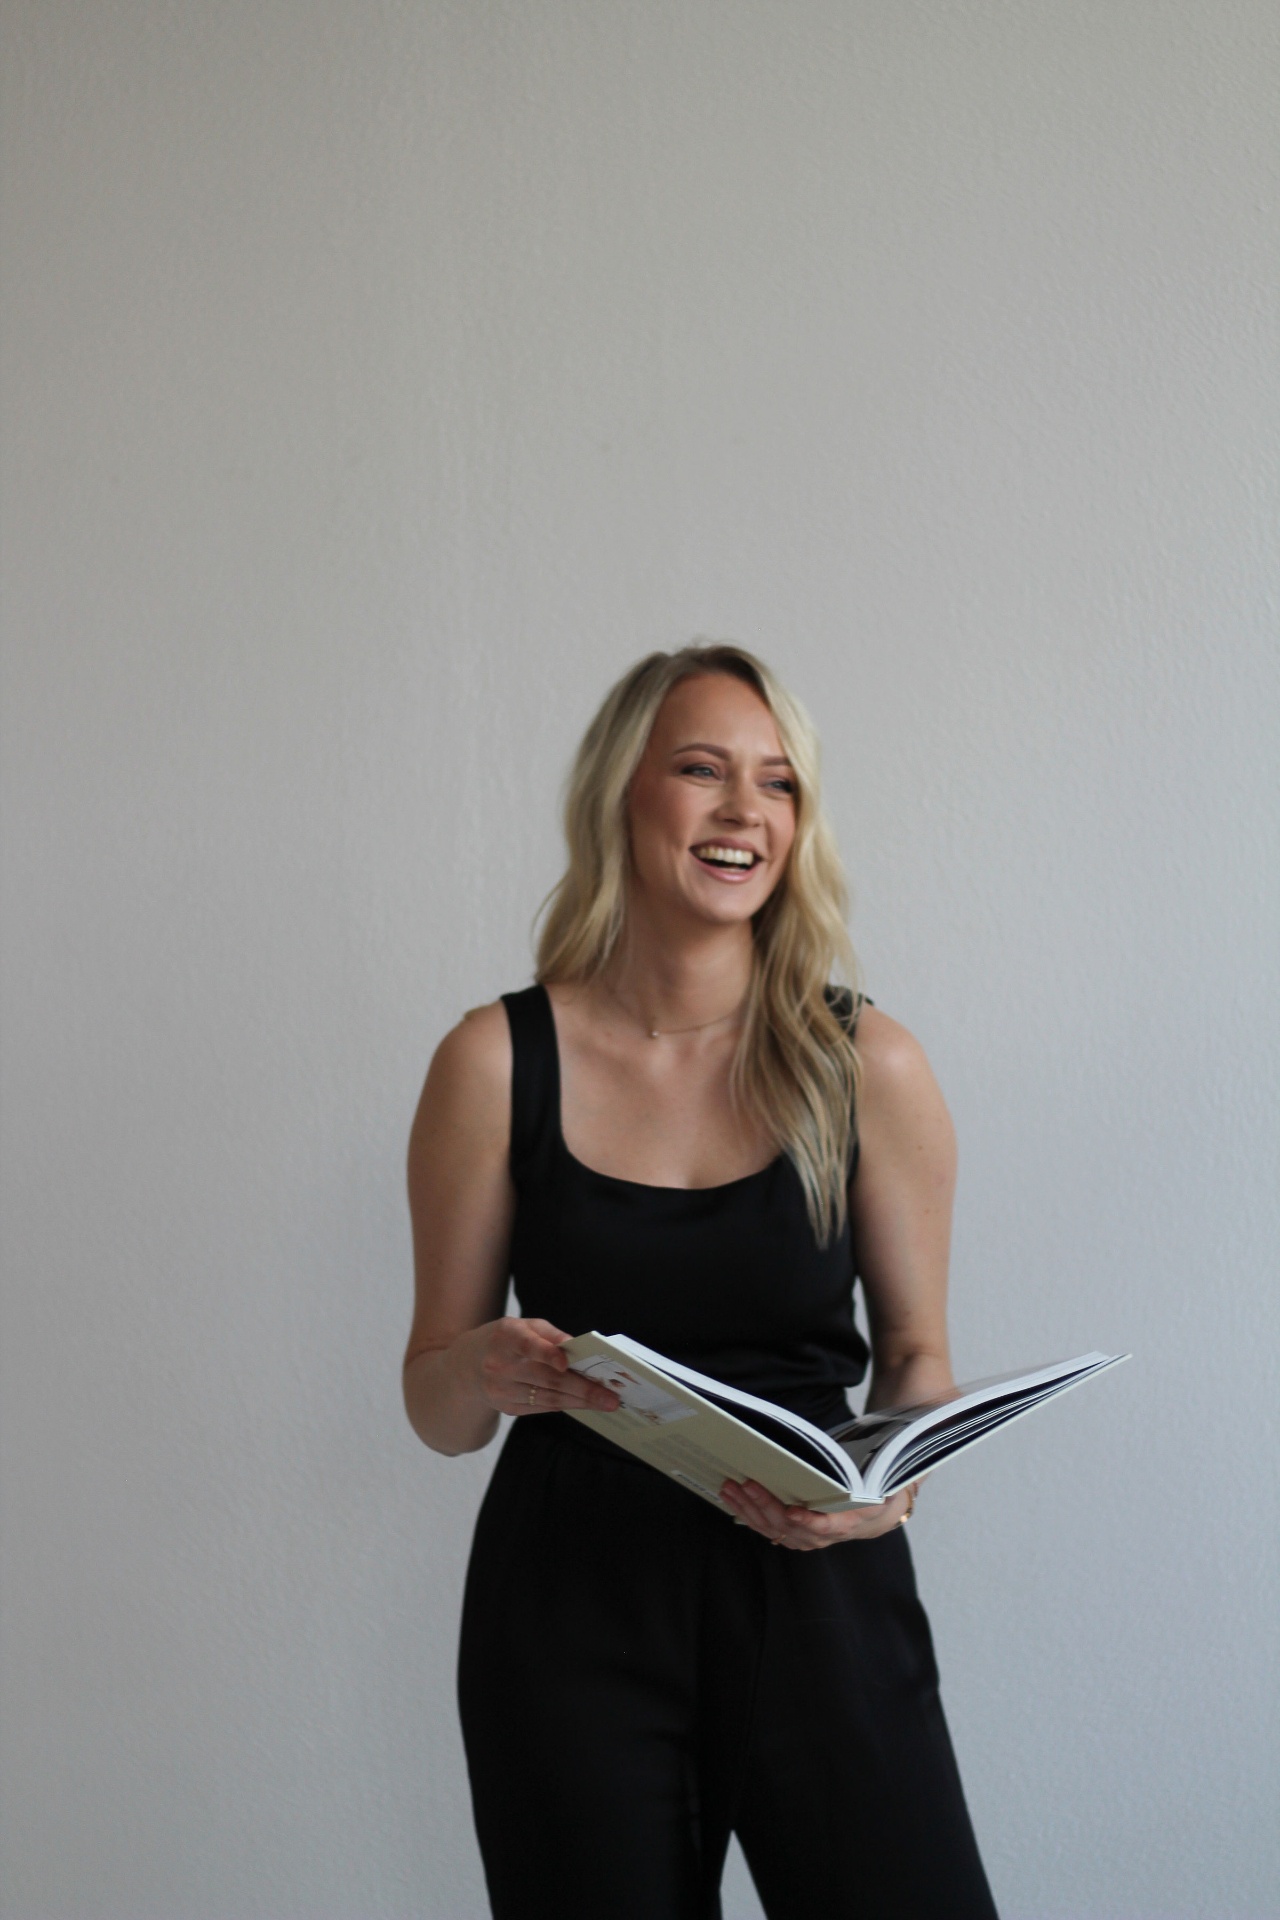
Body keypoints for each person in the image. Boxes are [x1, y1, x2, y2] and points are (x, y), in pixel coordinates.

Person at [403, 644, 998, 1919]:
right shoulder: (492, 1062)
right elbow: (436, 1409)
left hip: (817, 1590)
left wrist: (880, 1501)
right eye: (701, 771)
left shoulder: (865, 1064)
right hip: (569, 1609)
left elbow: (913, 1366)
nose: (745, 813)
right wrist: (480, 1367)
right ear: (624, 795)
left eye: (777, 784)